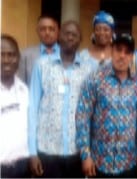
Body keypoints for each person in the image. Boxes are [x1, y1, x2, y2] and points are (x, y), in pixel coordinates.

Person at [28, 21, 94, 177]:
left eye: (74, 35)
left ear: (80, 39)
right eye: (66, 33)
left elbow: (91, 111)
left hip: (76, 151)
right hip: (47, 150)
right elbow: (32, 108)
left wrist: (88, 152)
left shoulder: (88, 69)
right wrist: (32, 152)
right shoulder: (42, 65)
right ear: (59, 36)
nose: (70, 37)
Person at [76, 33, 137, 178]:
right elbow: (82, 117)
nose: (122, 56)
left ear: (132, 56)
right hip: (100, 163)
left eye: (127, 52)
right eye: (118, 50)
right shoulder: (95, 79)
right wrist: (85, 155)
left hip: (128, 163)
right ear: (111, 51)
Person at [0, 34, 30, 178]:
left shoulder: (25, 90)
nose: (6, 60)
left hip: (23, 167)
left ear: (18, 58)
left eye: (11, 55)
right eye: (1, 55)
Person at [18, 14, 60, 85]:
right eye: (43, 29)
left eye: (51, 29)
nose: (47, 33)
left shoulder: (68, 55)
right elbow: (20, 84)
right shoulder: (25, 55)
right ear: (37, 31)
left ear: (58, 31)